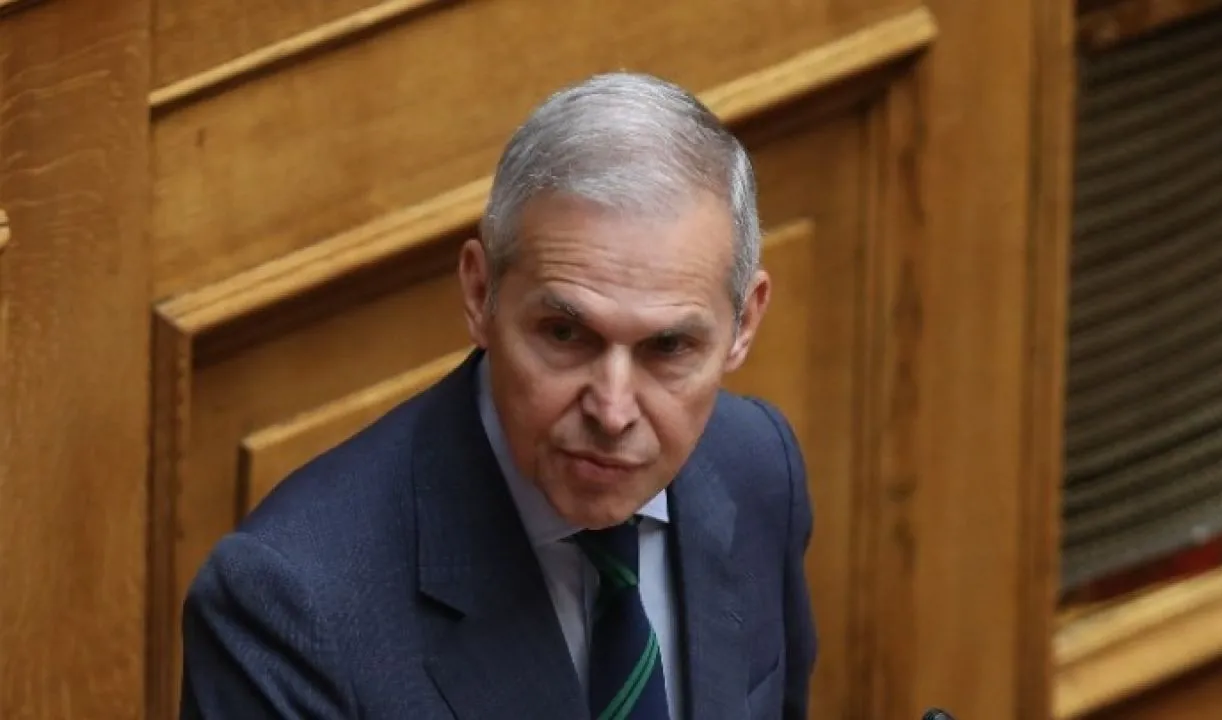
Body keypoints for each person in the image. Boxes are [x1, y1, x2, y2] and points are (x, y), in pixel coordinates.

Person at [179, 71, 817, 720]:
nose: (613, 411)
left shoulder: (758, 467)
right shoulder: (291, 603)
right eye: (565, 334)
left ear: (744, 325)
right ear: (480, 293)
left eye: (669, 347)